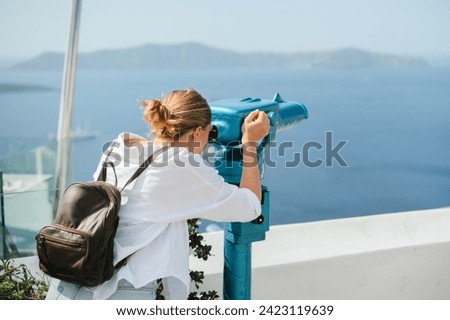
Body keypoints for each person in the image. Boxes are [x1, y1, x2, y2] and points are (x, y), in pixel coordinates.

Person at [45, 89, 269, 300]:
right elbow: (250, 206)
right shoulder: (181, 164)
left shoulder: (118, 147)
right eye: (210, 134)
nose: (207, 142)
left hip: (66, 283)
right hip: (118, 292)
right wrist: (249, 143)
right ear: (197, 132)